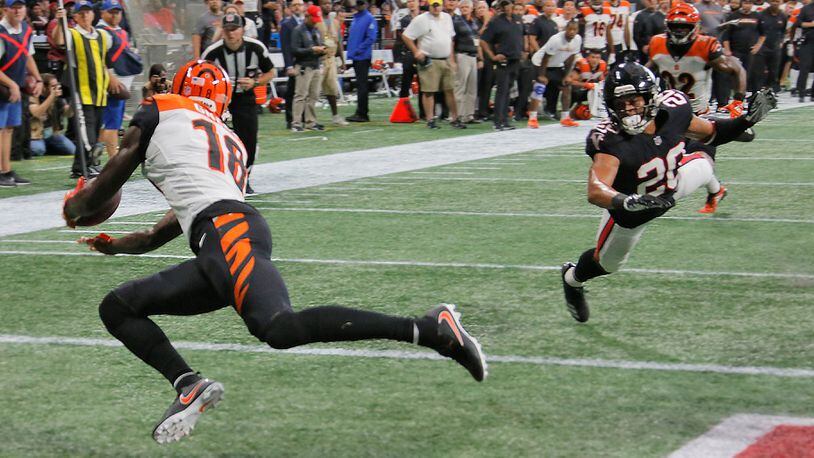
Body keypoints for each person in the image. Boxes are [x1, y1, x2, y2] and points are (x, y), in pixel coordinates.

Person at [62, 59, 487, 444]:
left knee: (279, 328)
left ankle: (427, 328)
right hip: (222, 235)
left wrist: (76, 208)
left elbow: (115, 172)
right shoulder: (228, 140)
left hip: (225, 233)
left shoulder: (160, 108)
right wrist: (116, 246)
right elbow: (165, 230)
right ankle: (188, 384)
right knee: (119, 307)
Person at [559, 62, 775, 323]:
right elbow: (595, 190)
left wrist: (745, 120)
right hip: (634, 211)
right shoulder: (609, 139)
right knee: (608, 265)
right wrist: (627, 202)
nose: (628, 109)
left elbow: (712, 133)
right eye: (621, 103)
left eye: (634, 100)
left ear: (651, 97)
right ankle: (572, 278)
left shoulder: (674, 109)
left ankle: (710, 179)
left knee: (705, 166)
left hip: (672, 185)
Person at [202, 12, 274, 196]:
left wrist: (255, 82)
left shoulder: (256, 48)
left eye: (234, 29)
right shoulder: (212, 52)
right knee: (215, 141)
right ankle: (218, 178)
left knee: (249, 140)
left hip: (245, 99)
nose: (231, 33)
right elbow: (201, 76)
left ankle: (245, 178)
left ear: (242, 29)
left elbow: (271, 72)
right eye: (227, 29)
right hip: (220, 103)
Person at [53, 0, 124, 178]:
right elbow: (59, 40)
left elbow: (105, 63)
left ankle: (80, 167)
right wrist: (60, 23)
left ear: (93, 14)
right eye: (81, 13)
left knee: (94, 130)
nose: (85, 16)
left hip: (100, 92)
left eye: (88, 12)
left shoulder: (102, 36)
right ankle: (87, 165)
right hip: (82, 93)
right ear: (75, 16)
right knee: (88, 134)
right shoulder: (73, 34)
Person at [648, 3, 748, 118]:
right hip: (670, 112)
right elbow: (646, 72)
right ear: (667, 26)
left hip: (698, 115)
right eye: (675, 26)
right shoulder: (657, 43)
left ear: (695, 27)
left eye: (684, 26)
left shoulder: (705, 45)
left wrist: (738, 100)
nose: (679, 31)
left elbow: (738, 69)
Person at [403, 0, 465, 129]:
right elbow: (406, 36)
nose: (436, 8)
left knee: (450, 90)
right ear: (429, 6)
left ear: (442, 5)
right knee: (429, 92)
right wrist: (416, 51)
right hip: (430, 60)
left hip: (446, 59)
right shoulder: (421, 19)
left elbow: (450, 39)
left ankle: (455, 119)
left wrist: (452, 60)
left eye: (438, 5)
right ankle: (430, 120)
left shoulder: (447, 17)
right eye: (434, 6)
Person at [0, 0, 42, 187]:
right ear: (5, 9)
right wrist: (12, 85)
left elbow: (27, 55)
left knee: (8, 130)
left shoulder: (25, 29)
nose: (17, 11)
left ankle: (6, 170)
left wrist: (38, 78)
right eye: (13, 7)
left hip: (12, 89)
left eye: (20, 7)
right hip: (5, 88)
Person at [97, 0, 137, 159]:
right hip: (113, 84)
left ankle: (96, 154)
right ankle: (113, 158)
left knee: (111, 122)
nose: (115, 15)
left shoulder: (120, 31)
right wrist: (110, 78)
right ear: (103, 13)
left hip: (123, 83)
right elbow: (99, 59)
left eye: (117, 12)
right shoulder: (102, 32)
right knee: (112, 123)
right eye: (111, 12)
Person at [527, 20, 582, 128]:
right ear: (565, 29)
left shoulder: (578, 40)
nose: (571, 32)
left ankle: (565, 118)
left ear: (577, 30)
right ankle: (532, 119)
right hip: (539, 63)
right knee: (539, 88)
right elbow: (545, 58)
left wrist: (567, 75)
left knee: (566, 87)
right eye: (570, 29)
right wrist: (542, 75)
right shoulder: (556, 39)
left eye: (574, 30)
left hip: (556, 65)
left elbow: (571, 59)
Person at [480, 0, 524, 130]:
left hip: (515, 60)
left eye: (509, 5)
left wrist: (523, 50)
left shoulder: (518, 19)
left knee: (508, 91)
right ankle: (498, 122)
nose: (508, 8)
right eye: (504, 5)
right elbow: (483, 41)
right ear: (501, 7)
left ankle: (504, 120)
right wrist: (492, 56)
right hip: (503, 60)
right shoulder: (496, 22)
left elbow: (521, 36)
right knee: (502, 91)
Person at [290, 5, 325, 132]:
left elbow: (318, 46)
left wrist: (322, 50)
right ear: (307, 16)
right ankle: (296, 123)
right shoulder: (298, 30)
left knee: (313, 96)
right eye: (313, 18)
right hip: (304, 67)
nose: (315, 21)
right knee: (300, 96)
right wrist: (312, 50)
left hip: (315, 66)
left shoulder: (315, 30)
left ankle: (311, 122)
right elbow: (294, 50)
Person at [346, 0, 378, 122]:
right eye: (358, 3)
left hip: (362, 57)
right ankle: (360, 112)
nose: (359, 5)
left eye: (361, 3)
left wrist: (358, 50)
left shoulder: (368, 18)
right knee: (360, 85)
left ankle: (363, 113)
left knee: (362, 85)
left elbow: (371, 38)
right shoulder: (356, 17)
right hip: (357, 56)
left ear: (366, 4)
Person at [29, 73, 75, 157]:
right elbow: (37, 113)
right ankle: (44, 147)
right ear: (44, 87)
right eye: (53, 86)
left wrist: (73, 103)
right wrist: (52, 96)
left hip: (52, 134)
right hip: (36, 135)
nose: (56, 88)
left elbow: (68, 114)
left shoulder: (57, 97)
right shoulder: (34, 96)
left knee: (72, 150)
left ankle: (48, 147)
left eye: (57, 85)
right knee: (38, 150)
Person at [317, 0, 348, 126]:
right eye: (324, 3)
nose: (327, 6)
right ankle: (307, 118)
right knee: (313, 91)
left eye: (329, 3)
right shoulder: (316, 21)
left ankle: (335, 116)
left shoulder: (335, 22)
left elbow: (339, 42)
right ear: (320, 5)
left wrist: (342, 61)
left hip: (331, 59)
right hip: (319, 59)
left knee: (332, 89)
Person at [453, 0, 481, 123]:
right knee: (460, 86)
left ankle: (469, 115)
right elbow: (452, 41)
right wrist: (453, 59)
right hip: (462, 55)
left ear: (471, 8)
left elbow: (477, 41)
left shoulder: (474, 22)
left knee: (472, 87)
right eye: (462, 7)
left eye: (466, 7)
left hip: (473, 56)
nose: (464, 9)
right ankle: (458, 115)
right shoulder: (456, 22)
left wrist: (480, 58)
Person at [279, 0, 304, 129]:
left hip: (306, 62)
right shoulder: (287, 24)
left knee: (304, 91)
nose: (297, 7)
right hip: (294, 63)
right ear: (290, 8)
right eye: (294, 5)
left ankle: (303, 117)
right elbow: (285, 47)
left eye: (299, 4)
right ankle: (290, 118)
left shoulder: (307, 22)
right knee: (292, 91)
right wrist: (288, 65)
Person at [753, 0, 787, 91]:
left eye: (777, 1)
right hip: (762, 47)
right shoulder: (761, 14)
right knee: (759, 71)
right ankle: (757, 91)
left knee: (774, 71)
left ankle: (770, 90)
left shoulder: (783, 16)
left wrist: (781, 42)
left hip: (775, 47)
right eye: (772, 1)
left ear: (780, 2)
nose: (774, 3)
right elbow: (756, 30)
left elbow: (783, 31)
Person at [792, 0, 814, 101]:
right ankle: (801, 92)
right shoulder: (806, 8)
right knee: (804, 67)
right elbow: (798, 23)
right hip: (808, 42)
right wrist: (810, 24)